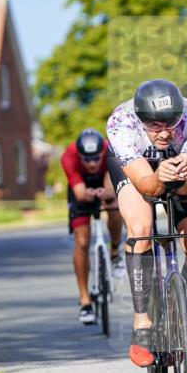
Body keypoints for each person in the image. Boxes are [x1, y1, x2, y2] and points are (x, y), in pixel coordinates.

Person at [106, 79, 187, 367]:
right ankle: (142, 324)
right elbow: (148, 188)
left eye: (171, 123)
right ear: (141, 119)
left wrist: (177, 175)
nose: (165, 132)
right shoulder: (121, 123)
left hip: (178, 168)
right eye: (154, 125)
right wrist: (159, 177)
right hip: (136, 170)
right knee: (140, 229)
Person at [61, 128, 124, 325]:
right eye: (87, 159)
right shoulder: (69, 156)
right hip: (80, 189)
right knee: (82, 241)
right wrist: (90, 195)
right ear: (80, 155)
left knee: (116, 209)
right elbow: (80, 193)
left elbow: (110, 189)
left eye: (96, 158)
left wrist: (105, 194)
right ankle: (85, 300)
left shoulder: (110, 150)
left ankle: (114, 252)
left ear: (102, 153)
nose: (92, 163)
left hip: (105, 181)